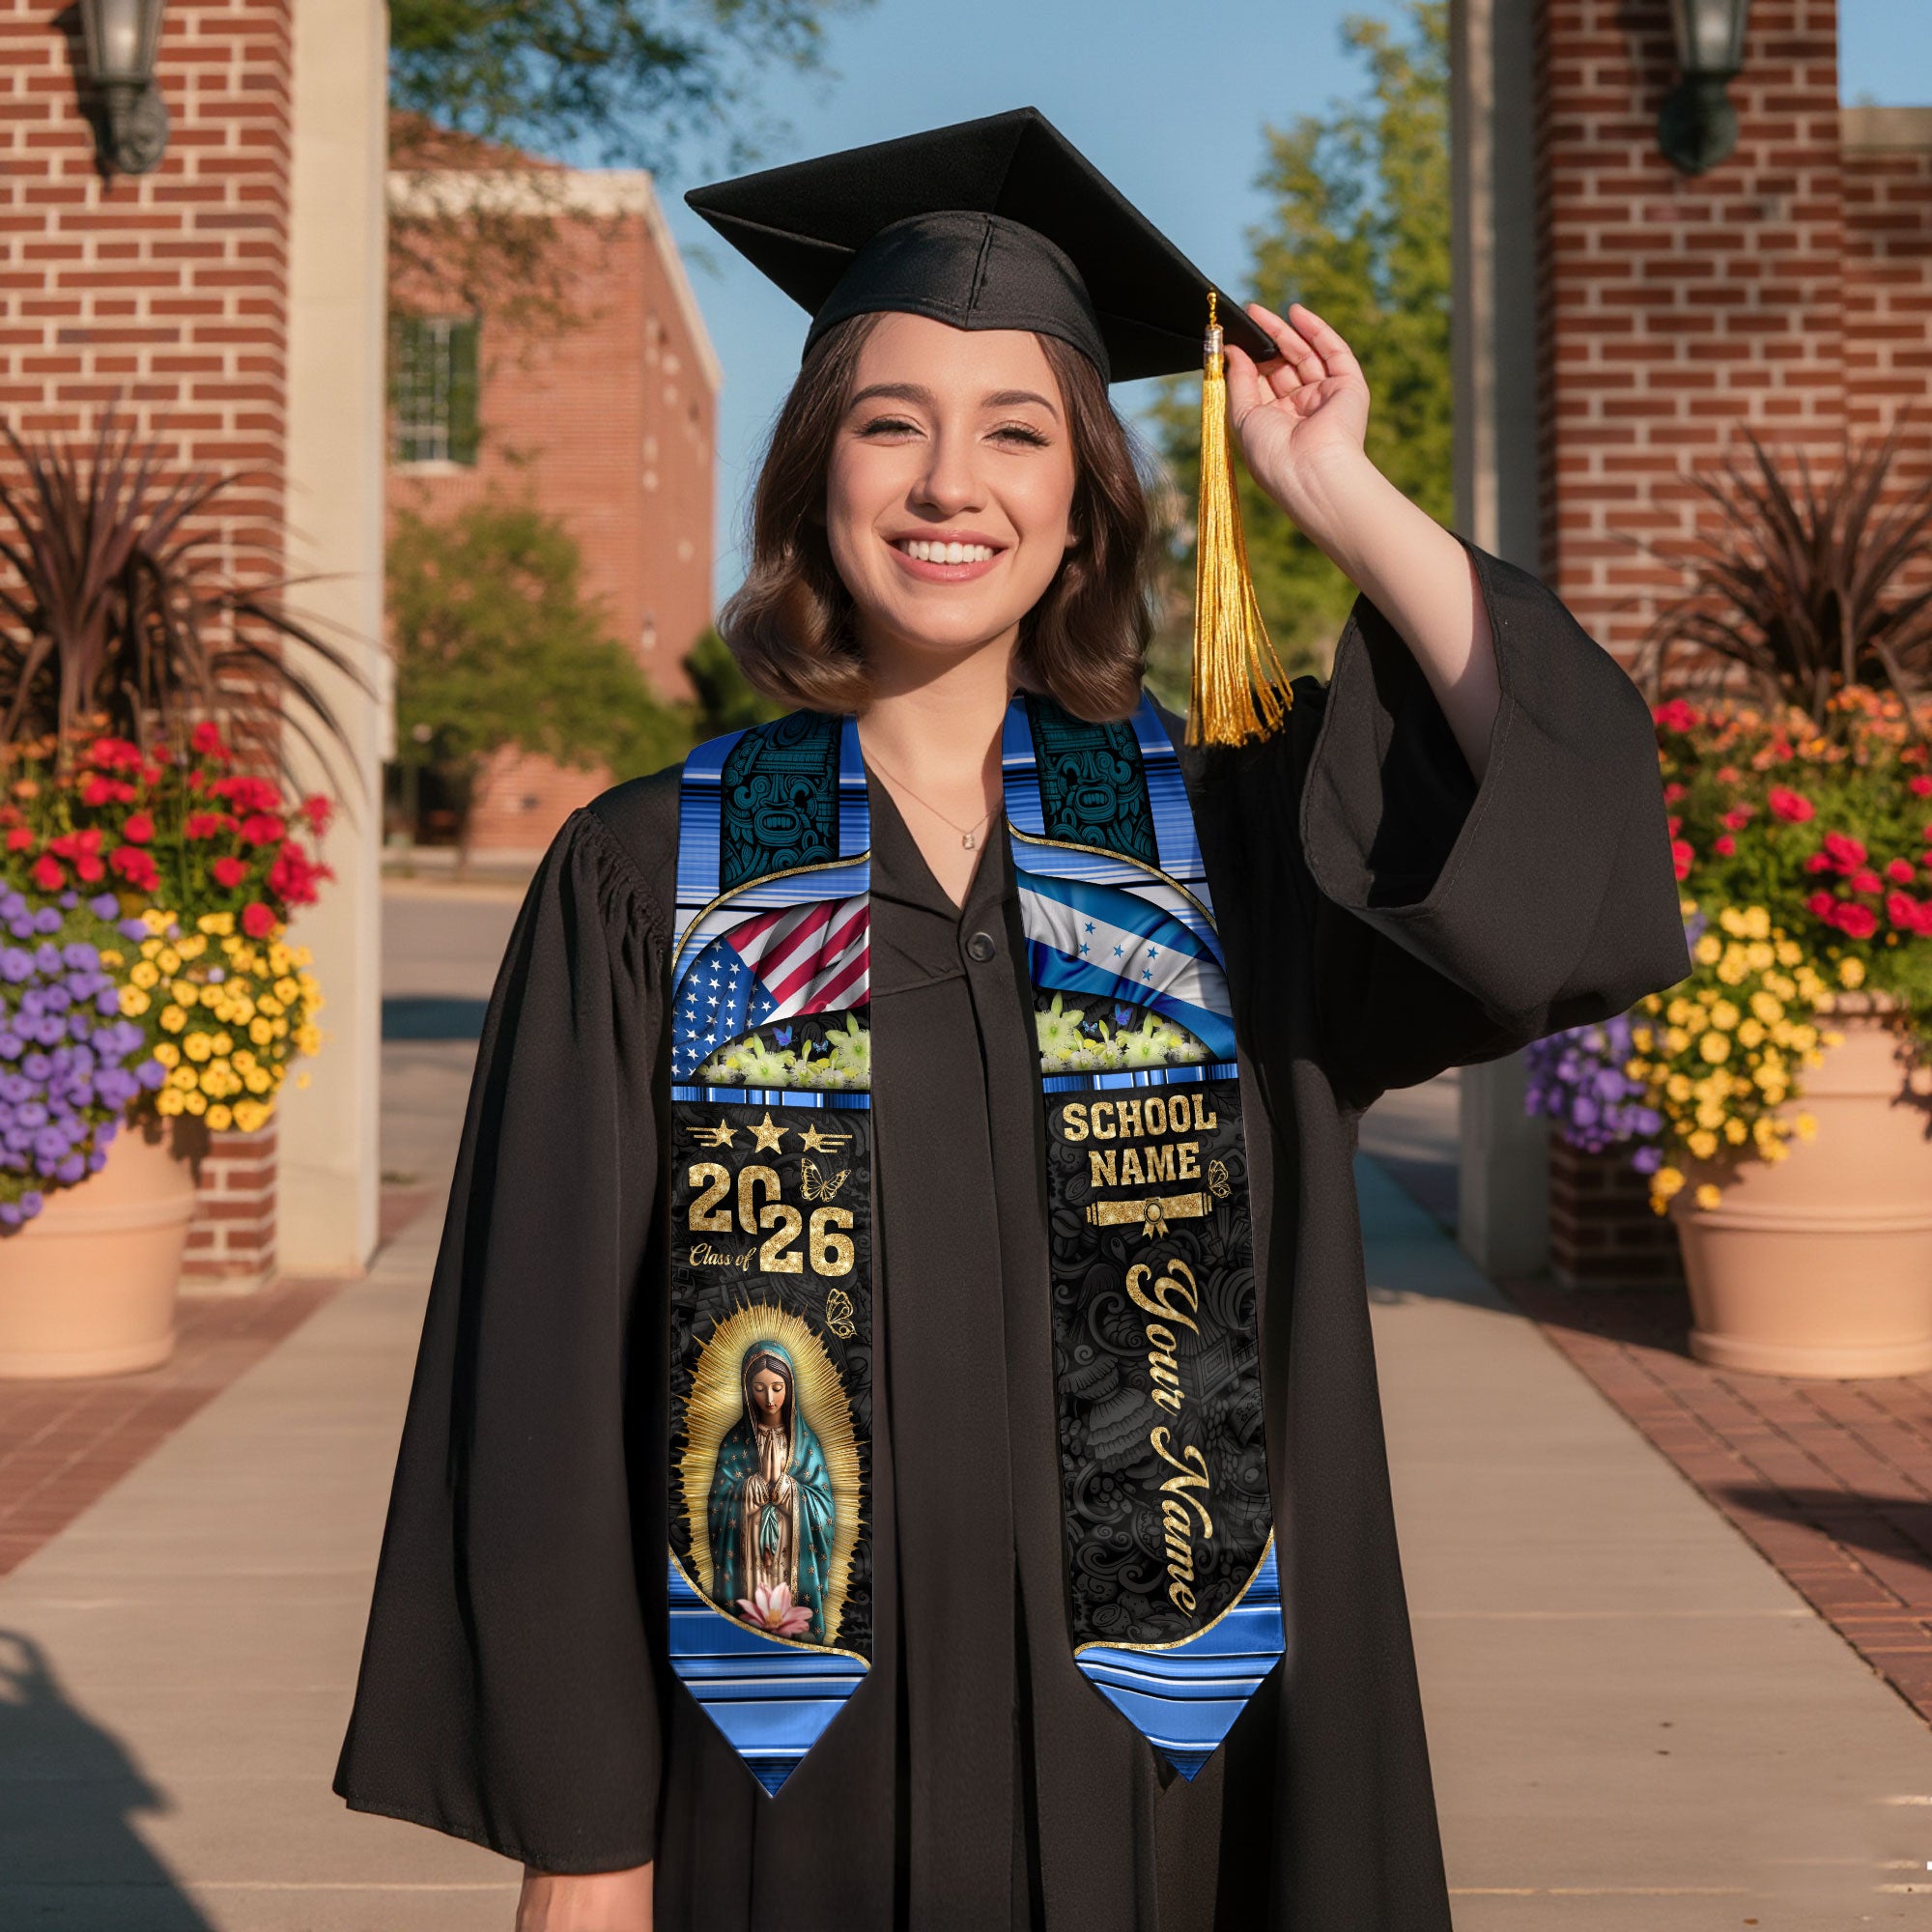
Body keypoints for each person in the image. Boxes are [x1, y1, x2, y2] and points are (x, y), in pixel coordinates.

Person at [333, 109, 1690, 1931]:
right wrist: (584, 1845)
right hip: (782, 1782)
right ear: (818, 472)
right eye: (892, 424)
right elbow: (547, 1386)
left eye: (1016, 433)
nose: (948, 483)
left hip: (1180, 1782)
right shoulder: (652, 878)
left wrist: (1336, 490)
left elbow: (1560, 845)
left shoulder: (1227, 849)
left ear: (1083, 504)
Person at [707, 1340, 838, 1642]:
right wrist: (748, 1490)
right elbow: (717, 1503)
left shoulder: (807, 1445)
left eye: (777, 1387)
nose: (769, 1398)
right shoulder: (734, 1443)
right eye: (759, 1387)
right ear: (747, 1389)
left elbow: (824, 1505)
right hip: (748, 1556)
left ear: (789, 1387)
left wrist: (791, 1492)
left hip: (791, 1556)